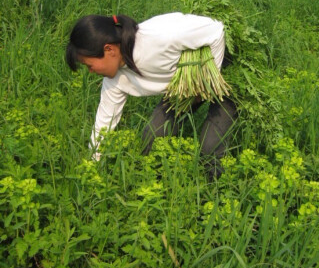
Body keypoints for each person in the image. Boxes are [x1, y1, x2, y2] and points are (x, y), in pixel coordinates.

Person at [66, 12, 236, 179]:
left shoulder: (160, 37)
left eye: (89, 65)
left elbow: (215, 30)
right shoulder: (114, 80)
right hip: (184, 85)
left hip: (224, 73)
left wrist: (208, 83)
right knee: (152, 138)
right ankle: (158, 179)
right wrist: (92, 165)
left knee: (210, 149)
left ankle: (215, 192)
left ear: (109, 49)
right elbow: (103, 124)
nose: (90, 71)